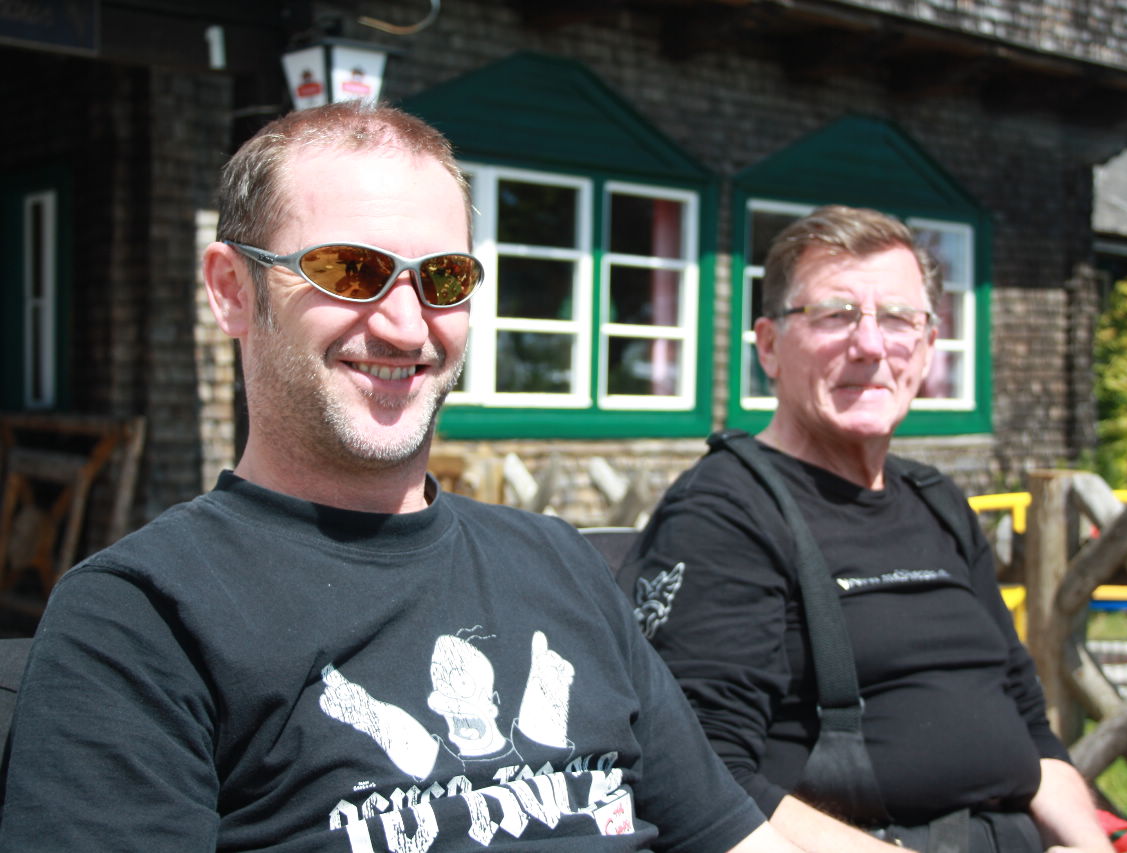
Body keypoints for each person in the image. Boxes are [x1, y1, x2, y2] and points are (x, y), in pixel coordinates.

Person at [0, 101, 801, 853]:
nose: (406, 325)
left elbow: (732, 838)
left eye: (444, 278)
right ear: (232, 290)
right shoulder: (142, 616)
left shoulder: (561, 562)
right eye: (351, 271)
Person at [620, 206, 1112, 853]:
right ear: (768, 345)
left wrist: (1096, 847)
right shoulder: (726, 511)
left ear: (928, 346)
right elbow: (701, 773)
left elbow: (1029, 725)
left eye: (900, 318)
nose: (872, 345)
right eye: (836, 314)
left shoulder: (939, 502)